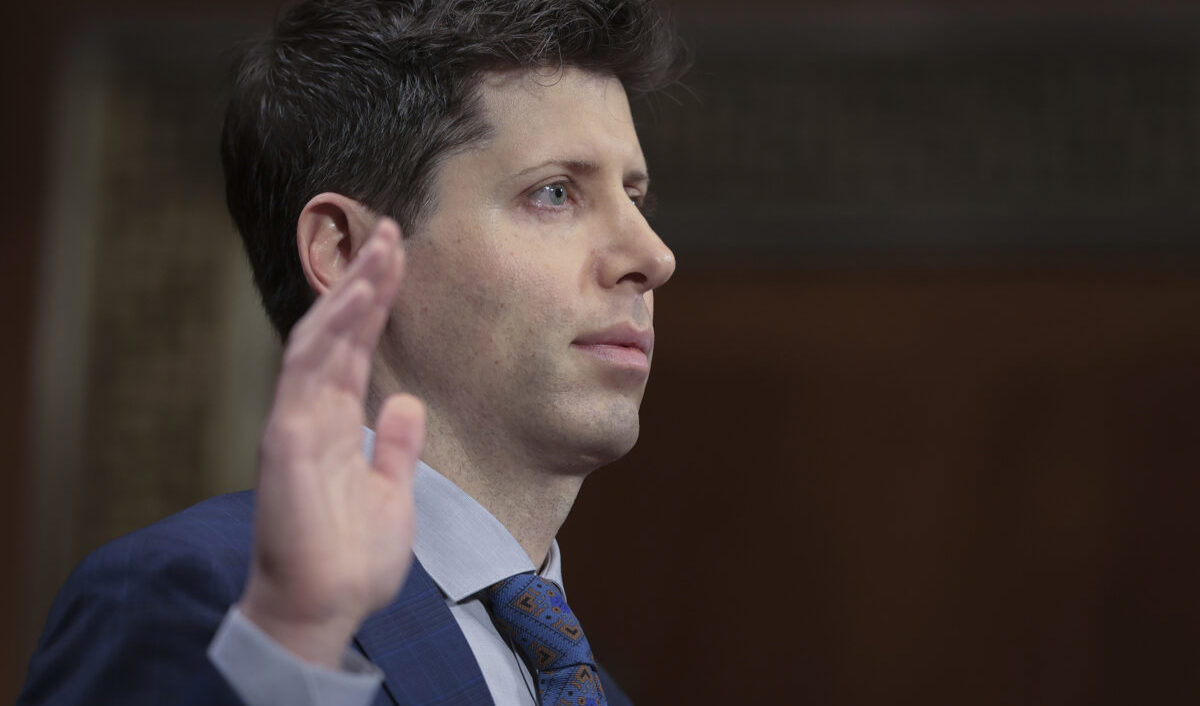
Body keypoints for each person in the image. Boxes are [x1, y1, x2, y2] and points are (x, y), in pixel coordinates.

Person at [19, 0, 688, 704]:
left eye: (636, 197)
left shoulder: (598, 692)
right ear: (347, 251)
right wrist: (295, 660)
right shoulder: (202, 603)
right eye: (555, 192)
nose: (655, 255)